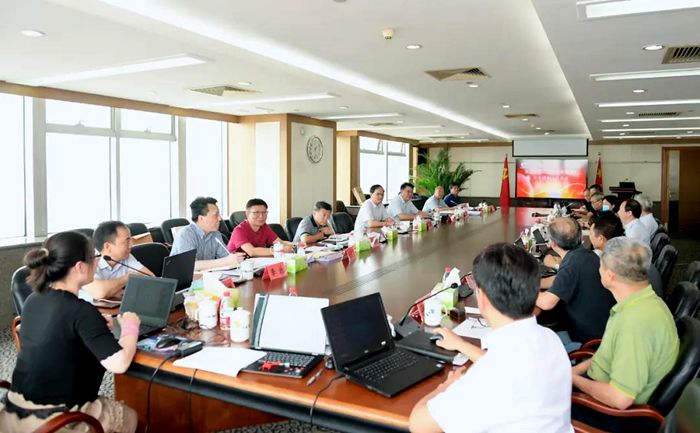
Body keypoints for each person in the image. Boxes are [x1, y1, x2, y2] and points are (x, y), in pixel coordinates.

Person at [409, 243, 572, 433]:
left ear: (482, 298)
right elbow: (506, 365)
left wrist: (446, 386)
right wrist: (461, 344)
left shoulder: (488, 379)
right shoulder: (549, 339)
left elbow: (418, 424)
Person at [0, 231, 139, 433]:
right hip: (56, 418)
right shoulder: (82, 311)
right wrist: (130, 326)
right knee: (131, 417)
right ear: (80, 267)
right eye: (94, 257)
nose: (97, 261)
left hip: (15, 408)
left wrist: (93, 326)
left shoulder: (34, 299)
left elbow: (58, 332)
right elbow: (120, 364)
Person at [572, 238, 679, 433]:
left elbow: (620, 399)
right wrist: (574, 372)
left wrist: (572, 379)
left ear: (610, 275)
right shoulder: (645, 302)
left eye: (601, 265)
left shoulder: (635, 324)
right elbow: (609, 354)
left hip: (611, 415)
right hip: (600, 390)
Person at [537, 217, 616, 350]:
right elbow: (560, 280)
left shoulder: (572, 264)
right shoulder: (586, 255)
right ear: (580, 237)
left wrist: (521, 289)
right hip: (604, 329)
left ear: (553, 244)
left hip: (590, 342)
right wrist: (536, 283)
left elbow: (547, 303)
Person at [589, 212, 664, 297]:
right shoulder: (625, 249)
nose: (589, 236)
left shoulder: (618, 262)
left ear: (600, 239)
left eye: (590, 233)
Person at [82, 221, 154, 301]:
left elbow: (151, 279)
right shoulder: (86, 261)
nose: (131, 245)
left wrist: (113, 291)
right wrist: (128, 277)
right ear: (107, 246)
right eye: (127, 241)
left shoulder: (126, 256)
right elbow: (100, 292)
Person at [171, 197, 244, 271]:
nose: (220, 218)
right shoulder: (185, 235)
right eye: (216, 215)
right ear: (201, 218)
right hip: (181, 277)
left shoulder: (215, 234)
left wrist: (235, 259)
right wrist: (226, 261)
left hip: (206, 276)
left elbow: (227, 257)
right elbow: (191, 265)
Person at [228, 198, 294, 257]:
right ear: (247, 214)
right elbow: (251, 251)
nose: (261, 216)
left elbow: (280, 242)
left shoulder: (264, 227)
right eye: (256, 213)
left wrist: (295, 245)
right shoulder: (239, 230)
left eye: (264, 212)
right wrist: (277, 250)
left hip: (255, 261)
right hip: (235, 264)